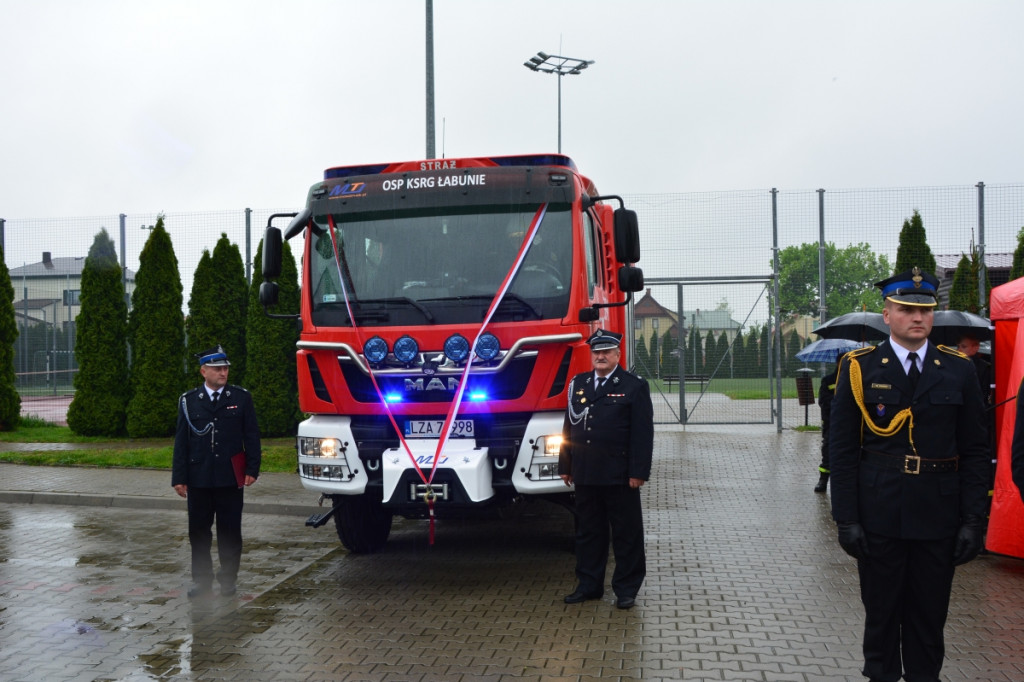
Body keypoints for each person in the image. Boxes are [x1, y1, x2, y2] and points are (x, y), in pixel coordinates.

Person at [829, 267, 989, 682]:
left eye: (926, 310)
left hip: (939, 515)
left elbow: (974, 451)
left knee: (929, 615)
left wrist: (974, 519)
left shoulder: (959, 369)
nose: (917, 318)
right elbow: (843, 452)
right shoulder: (859, 368)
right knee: (881, 613)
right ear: (887, 314)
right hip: (879, 512)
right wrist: (845, 520)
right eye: (905, 310)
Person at [558, 329, 654, 610]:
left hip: (619, 475)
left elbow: (642, 433)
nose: (600, 356)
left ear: (617, 355)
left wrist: (638, 472)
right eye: (596, 352)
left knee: (626, 533)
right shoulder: (579, 383)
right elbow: (569, 427)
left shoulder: (634, 385)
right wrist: (566, 464)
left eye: (606, 352)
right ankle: (589, 586)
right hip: (586, 473)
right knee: (588, 533)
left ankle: (626, 589)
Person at [172, 345, 261, 598]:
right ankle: (202, 581)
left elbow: (251, 435)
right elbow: (182, 441)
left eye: (225, 368)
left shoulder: (240, 398)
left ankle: (228, 579)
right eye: (217, 369)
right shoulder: (189, 401)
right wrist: (179, 477)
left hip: (230, 477)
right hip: (198, 477)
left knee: (230, 531)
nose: (223, 373)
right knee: (198, 532)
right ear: (203, 371)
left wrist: (252, 468)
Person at [814, 359, 843, 493]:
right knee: (828, 451)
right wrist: (839, 400)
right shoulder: (828, 380)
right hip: (831, 423)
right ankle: (823, 480)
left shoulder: (856, 379)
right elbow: (823, 402)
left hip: (850, 425)